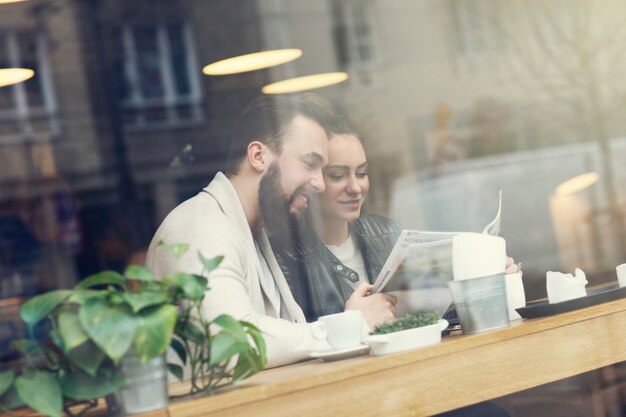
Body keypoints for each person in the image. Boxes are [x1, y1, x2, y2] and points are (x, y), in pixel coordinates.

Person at [145, 94, 395, 368]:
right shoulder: (199, 227)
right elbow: (233, 344)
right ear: (258, 156)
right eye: (310, 164)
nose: (319, 184)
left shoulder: (254, 233)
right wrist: (351, 326)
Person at [274, 117, 400, 326]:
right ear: (312, 179)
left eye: (361, 173)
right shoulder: (284, 256)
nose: (355, 187)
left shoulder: (386, 232)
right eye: (338, 175)